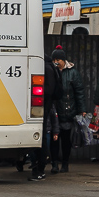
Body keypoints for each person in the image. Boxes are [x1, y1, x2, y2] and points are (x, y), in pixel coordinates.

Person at [51, 46, 88, 174]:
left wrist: (82, 109)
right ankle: (54, 163)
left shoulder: (73, 73)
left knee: (66, 140)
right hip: (54, 112)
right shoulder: (51, 71)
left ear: (63, 60)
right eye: (54, 59)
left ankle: (65, 164)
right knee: (54, 139)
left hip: (67, 111)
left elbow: (79, 92)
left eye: (58, 59)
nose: (56, 62)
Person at [29, 49, 65, 181]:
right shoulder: (50, 67)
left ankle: (39, 169)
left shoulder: (46, 68)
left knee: (42, 137)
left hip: (43, 106)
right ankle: (39, 167)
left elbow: (48, 90)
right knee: (42, 135)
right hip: (46, 105)